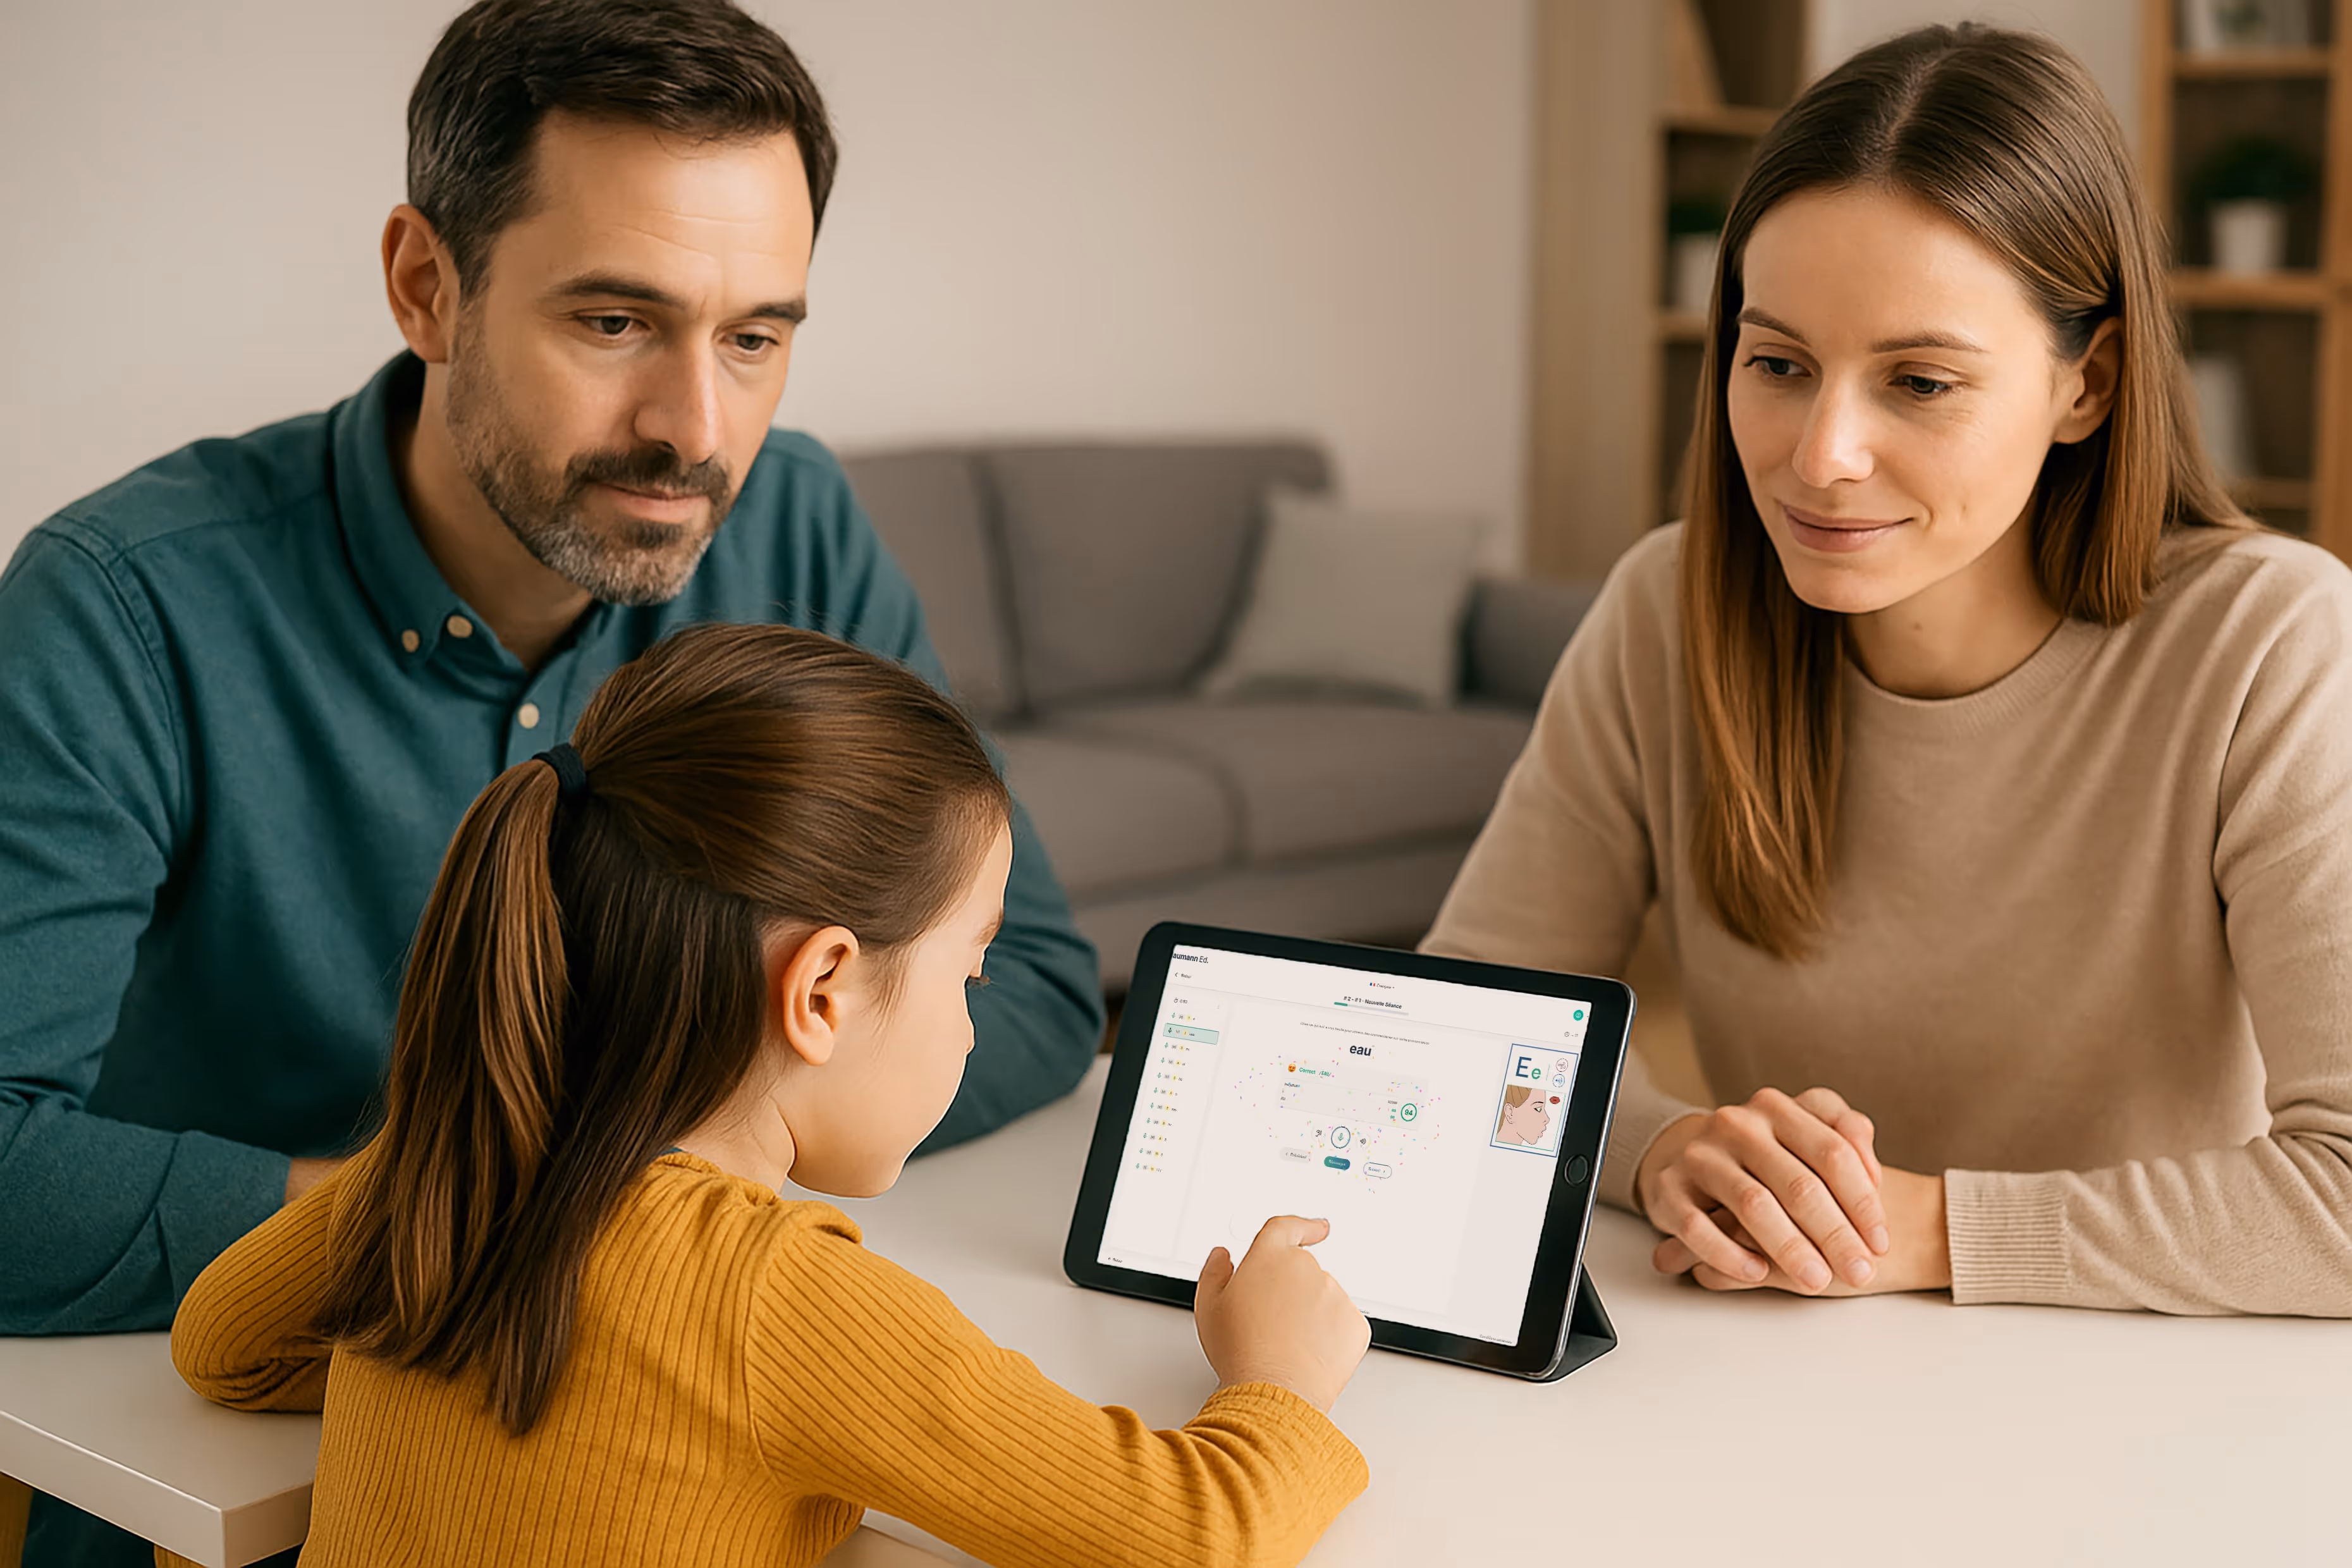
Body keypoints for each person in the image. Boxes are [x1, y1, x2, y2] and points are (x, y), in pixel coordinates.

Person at [1424, 24, 2352, 1315]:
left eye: (1919, 381)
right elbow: (1455, 1045)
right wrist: (1666, 1151)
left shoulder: (2270, 642)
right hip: (1796, 1381)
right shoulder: (1665, 608)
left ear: (2087, 384)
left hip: (2154, 1397)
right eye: (1778, 364)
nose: (1821, 455)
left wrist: (1922, 1231)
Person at [168, 622, 1371, 1568]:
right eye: (971, 970)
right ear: (824, 990)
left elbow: (219, 1344)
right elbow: (1188, 1536)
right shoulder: (779, 1299)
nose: (971, 1023)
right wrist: (1278, 1382)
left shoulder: (451, 1165)